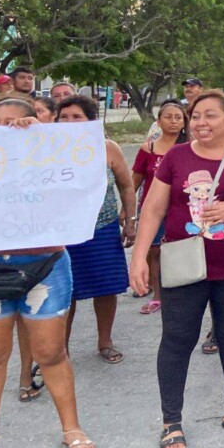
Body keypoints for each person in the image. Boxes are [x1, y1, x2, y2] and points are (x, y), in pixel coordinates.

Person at [130, 89, 224, 448]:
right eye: (195, 116)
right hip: (185, 267)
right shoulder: (176, 157)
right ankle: (171, 422)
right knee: (178, 339)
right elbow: (152, 209)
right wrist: (137, 257)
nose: (200, 123)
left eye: (210, 116)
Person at [0, 99, 97, 448]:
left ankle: (72, 428)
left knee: (51, 352)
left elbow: (83, 173)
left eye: (12, 122)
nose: (4, 128)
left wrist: (43, 138)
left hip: (45, 264)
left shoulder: (51, 153)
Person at [58, 95, 137, 364]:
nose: (69, 122)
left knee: (106, 287)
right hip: (61, 232)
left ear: (91, 120)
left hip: (101, 229)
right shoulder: (46, 150)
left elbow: (126, 186)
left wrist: (129, 221)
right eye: (64, 117)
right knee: (64, 291)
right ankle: (59, 349)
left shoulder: (108, 148)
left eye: (76, 117)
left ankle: (105, 341)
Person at [131, 100, 190, 316]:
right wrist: (127, 213)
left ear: (185, 122)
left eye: (178, 117)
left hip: (182, 209)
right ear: (158, 121)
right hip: (153, 209)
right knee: (154, 251)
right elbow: (135, 181)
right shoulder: (148, 149)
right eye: (168, 117)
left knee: (182, 252)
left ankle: (183, 294)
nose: (173, 121)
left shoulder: (191, 148)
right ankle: (157, 296)